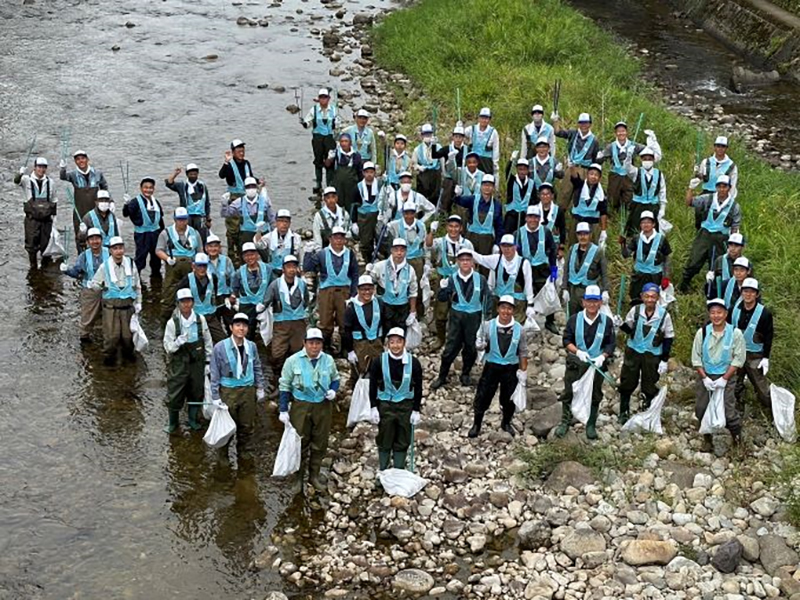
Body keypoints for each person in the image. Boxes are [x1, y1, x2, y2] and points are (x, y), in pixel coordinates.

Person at [278, 327, 341, 492]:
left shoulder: (328, 360)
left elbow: (336, 378)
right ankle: (297, 478)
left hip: (323, 406)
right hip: (301, 406)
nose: (314, 346)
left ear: (322, 344)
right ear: (304, 343)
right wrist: (283, 410)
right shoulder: (292, 361)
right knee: (299, 442)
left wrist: (334, 390)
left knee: (320, 442)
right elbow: (284, 386)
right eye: (311, 343)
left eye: (318, 343)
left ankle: (314, 475)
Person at [555, 285, 616, 440]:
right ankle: (565, 421)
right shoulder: (574, 320)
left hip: (596, 364)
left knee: (595, 394)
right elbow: (566, 340)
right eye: (589, 301)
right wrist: (577, 352)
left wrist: (603, 356)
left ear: (600, 303)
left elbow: (610, 343)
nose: (592, 304)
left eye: (595, 301)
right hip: (576, 363)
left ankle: (590, 424)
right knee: (569, 391)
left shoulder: (607, 322)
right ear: (583, 302)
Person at [209, 312, 266, 463]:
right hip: (228, 391)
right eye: (238, 325)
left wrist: (260, 387)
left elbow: (257, 367)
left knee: (247, 425)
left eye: (244, 326)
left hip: (248, 390)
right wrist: (215, 396)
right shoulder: (220, 348)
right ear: (231, 327)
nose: (241, 328)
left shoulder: (251, 347)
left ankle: (244, 451)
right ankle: (223, 454)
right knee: (227, 425)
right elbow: (214, 373)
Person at [470, 295, 530, 437]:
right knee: (483, 395)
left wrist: (523, 372)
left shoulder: (519, 329)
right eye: (503, 307)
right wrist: (479, 345)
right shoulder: (487, 325)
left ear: (513, 311)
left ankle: (506, 422)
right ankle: (477, 423)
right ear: (498, 309)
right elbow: (479, 341)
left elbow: (523, 351)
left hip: (511, 367)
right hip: (491, 366)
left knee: (508, 398)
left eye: (509, 308)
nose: (506, 311)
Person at [691, 298, 746, 453]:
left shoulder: (735, 333)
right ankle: (707, 440)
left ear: (726, 314)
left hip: (726, 377)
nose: (716, 316)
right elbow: (696, 358)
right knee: (701, 408)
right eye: (713, 313)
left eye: (719, 312)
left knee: (728, 411)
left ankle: (738, 442)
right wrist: (704, 378)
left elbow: (738, 359)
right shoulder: (702, 333)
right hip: (706, 375)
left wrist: (724, 378)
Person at [431, 248, 490, 389]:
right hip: (456, 319)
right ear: (457, 262)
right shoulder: (451, 279)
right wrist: (443, 289)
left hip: (474, 319)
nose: (465, 262)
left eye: (468, 260)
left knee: (471, 348)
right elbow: (442, 299)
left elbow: (487, 299)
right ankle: (442, 376)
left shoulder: (481, 279)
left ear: (473, 263)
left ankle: (465, 374)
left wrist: (486, 319)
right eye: (462, 260)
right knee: (450, 348)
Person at [617, 283, 674, 423]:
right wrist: (620, 324)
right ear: (642, 297)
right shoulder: (635, 311)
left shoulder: (664, 316)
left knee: (650, 382)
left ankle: (646, 411)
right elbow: (630, 330)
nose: (650, 299)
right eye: (647, 296)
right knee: (627, 380)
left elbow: (668, 337)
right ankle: (623, 411)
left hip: (653, 353)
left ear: (658, 298)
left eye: (653, 297)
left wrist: (664, 359)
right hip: (633, 351)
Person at [368, 327, 423, 470]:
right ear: (388, 344)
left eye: (399, 342)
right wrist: (373, 407)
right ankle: (383, 471)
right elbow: (372, 385)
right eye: (392, 342)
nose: (395, 345)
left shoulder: (414, 363)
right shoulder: (378, 362)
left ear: (404, 343)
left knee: (403, 437)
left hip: (406, 404)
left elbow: (418, 388)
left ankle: (398, 470)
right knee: (385, 437)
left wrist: (416, 410)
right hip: (385, 404)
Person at [679, 175, 742, 292]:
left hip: (721, 238)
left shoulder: (734, 206)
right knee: (694, 260)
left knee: (718, 266)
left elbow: (735, 226)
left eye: (725, 186)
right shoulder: (707, 199)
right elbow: (689, 203)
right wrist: (690, 188)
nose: (722, 189)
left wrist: (732, 244)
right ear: (716, 187)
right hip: (704, 235)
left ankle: (712, 290)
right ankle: (684, 285)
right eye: (719, 186)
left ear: (729, 188)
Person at [163, 288, 213, 433]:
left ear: (193, 302)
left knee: (196, 391)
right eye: (183, 302)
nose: (186, 304)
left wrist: (208, 361)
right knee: (175, 392)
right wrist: (177, 342)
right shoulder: (172, 324)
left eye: (189, 301)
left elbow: (207, 341)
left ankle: (193, 420)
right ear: (178, 304)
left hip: (197, 363)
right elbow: (167, 347)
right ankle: (173, 423)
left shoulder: (200, 320)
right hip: (178, 363)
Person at [303, 226, 359, 354]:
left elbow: (355, 274)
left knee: (345, 323)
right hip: (326, 292)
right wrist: (307, 253)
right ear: (330, 239)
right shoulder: (322, 254)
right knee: (325, 322)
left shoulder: (350, 254)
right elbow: (308, 268)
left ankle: (345, 349)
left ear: (345, 239)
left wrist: (354, 293)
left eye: (341, 238)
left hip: (345, 292)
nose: (338, 240)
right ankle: (326, 348)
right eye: (336, 237)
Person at [89, 236, 142, 365]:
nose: (118, 251)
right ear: (110, 251)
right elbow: (94, 284)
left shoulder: (130, 263)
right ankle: (109, 361)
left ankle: (128, 358)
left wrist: (139, 302)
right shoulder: (104, 266)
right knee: (111, 337)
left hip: (128, 307)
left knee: (128, 336)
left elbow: (138, 285)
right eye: (115, 249)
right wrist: (101, 286)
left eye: (120, 248)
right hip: (111, 308)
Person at [425, 215, 474, 347]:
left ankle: (458, 339)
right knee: (441, 311)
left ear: (461, 228)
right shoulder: (440, 242)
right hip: (443, 279)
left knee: (461, 310)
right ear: (447, 227)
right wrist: (431, 232)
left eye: (456, 226)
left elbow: (472, 263)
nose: (453, 229)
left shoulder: (467, 244)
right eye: (451, 226)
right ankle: (440, 339)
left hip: (461, 279)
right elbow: (428, 245)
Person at [264, 255, 310, 394]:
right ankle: (278, 379)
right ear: (283, 269)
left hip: (298, 322)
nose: (291, 270)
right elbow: (266, 300)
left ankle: (296, 380)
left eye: (294, 267)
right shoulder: (275, 284)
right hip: (281, 323)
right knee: (277, 352)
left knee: (298, 351)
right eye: (288, 267)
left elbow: (307, 300)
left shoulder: (302, 284)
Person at [472, 234, 536, 323]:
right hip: (498, 302)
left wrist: (530, 304)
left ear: (515, 247)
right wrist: (466, 251)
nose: (507, 249)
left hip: (516, 304)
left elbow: (528, 285)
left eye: (510, 246)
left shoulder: (524, 263)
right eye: (504, 246)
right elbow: (481, 259)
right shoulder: (496, 259)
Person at [732, 278, 773, 415]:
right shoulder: (734, 310)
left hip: (755, 355)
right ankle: (738, 408)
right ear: (741, 292)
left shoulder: (765, 313)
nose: (748, 294)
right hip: (737, 353)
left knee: (762, 388)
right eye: (745, 291)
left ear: (757, 294)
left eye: (751, 292)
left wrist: (766, 358)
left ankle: (770, 412)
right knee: (735, 384)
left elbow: (768, 336)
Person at [60, 227, 109, 342]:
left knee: (110, 315)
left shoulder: (109, 252)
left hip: (109, 289)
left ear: (101, 240)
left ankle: (107, 335)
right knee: (88, 316)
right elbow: (76, 273)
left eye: (97, 239)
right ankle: (85, 337)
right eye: (91, 239)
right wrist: (66, 270)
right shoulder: (83, 256)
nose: (95, 242)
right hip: (90, 290)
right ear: (87, 242)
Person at [156, 207, 203, 322]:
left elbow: (200, 251)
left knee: (192, 294)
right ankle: (165, 324)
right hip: (173, 267)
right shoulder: (165, 233)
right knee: (169, 296)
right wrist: (167, 259)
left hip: (190, 267)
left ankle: (192, 320)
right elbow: (158, 250)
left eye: (184, 219)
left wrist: (198, 265)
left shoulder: (194, 233)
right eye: (179, 219)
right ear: (175, 219)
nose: (182, 222)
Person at [518, 205, 559, 333]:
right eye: (530, 217)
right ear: (526, 218)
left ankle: (550, 321)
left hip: (541, 268)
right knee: (524, 294)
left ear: (539, 218)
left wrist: (554, 269)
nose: (533, 220)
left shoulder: (546, 232)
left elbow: (552, 251)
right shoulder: (518, 233)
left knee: (548, 294)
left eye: (536, 217)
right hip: (525, 268)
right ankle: (524, 320)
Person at [619, 211, 672, 305]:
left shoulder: (661, 239)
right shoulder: (636, 239)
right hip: (639, 275)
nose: (646, 225)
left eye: (648, 222)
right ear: (640, 225)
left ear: (654, 224)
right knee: (636, 298)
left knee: (653, 299)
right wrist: (623, 244)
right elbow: (626, 255)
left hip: (655, 275)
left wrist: (666, 277)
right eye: (643, 222)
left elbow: (667, 258)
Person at [59, 149, 108, 249]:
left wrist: (109, 203)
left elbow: (105, 187)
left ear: (87, 159)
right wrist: (63, 168)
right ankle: (82, 259)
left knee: (97, 235)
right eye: (78, 159)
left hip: (95, 211)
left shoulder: (97, 173)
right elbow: (63, 177)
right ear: (75, 162)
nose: (81, 161)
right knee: (80, 237)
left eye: (83, 158)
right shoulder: (73, 175)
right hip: (79, 212)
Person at [368, 238, 419, 331]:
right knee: (384, 330)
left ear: (406, 252)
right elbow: (368, 283)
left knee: (400, 333)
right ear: (391, 250)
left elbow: (413, 292)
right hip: (385, 305)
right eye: (396, 250)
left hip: (402, 307)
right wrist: (367, 272)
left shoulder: (410, 270)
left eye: (402, 250)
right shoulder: (380, 266)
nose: (399, 253)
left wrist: (412, 311)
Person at [15, 157, 58, 268]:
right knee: (31, 246)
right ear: (34, 167)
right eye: (39, 167)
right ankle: (33, 267)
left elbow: (54, 201)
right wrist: (19, 174)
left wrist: (55, 219)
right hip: (31, 220)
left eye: (44, 167)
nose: (41, 169)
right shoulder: (25, 179)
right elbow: (16, 181)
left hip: (46, 220)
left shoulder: (51, 182)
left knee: (46, 245)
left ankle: (45, 268)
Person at [218, 139, 255, 264]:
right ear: (233, 152)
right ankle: (232, 256)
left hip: (247, 198)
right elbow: (221, 175)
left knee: (245, 227)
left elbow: (249, 177)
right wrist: (226, 162)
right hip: (234, 198)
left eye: (242, 150)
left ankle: (243, 254)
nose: (241, 153)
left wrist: (257, 182)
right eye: (239, 151)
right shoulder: (230, 165)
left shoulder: (246, 164)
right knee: (233, 230)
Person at [344, 275, 384, 386]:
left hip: (376, 342)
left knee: (378, 368)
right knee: (361, 370)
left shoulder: (379, 303)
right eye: (363, 289)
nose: (367, 292)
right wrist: (350, 351)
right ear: (358, 290)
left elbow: (385, 322)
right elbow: (346, 330)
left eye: (369, 289)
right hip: (360, 343)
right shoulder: (351, 308)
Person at [562, 222, 609, 317]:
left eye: (585, 234)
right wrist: (564, 288)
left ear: (590, 235)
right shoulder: (572, 249)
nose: (582, 237)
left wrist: (605, 290)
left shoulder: (598, 251)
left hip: (589, 293)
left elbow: (604, 273)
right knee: (573, 318)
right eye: (580, 234)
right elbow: (566, 269)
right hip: (573, 291)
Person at [387, 201, 428, 309]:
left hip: (417, 259)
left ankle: (417, 311)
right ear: (402, 213)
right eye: (406, 213)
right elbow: (384, 235)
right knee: (400, 285)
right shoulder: (395, 225)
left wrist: (427, 262)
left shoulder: (421, 225)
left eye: (411, 213)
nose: (409, 216)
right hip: (400, 258)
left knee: (417, 286)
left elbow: (425, 245)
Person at [177, 252, 225, 343]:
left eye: (204, 266)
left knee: (223, 341)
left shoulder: (213, 277)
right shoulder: (186, 280)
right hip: (194, 317)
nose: (202, 269)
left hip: (210, 315)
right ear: (193, 266)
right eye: (199, 266)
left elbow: (214, 294)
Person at [453, 175, 504, 259]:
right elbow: (459, 201)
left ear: (493, 187)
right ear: (481, 186)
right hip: (471, 236)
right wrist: (457, 194)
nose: (487, 187)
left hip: (487, 239)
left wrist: (497, 244)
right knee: (468, 261)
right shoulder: (472, 199)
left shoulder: (497, 205)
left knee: (485, 266)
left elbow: (499, 227)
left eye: (490, 185)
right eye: (485, 185)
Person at [122, 177, 165, 277]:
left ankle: (156, 280)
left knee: (156, 259)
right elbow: (125, 214)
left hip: (155, 234)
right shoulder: (135, 202)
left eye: (150, 188)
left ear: (153, 189)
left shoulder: (156, 202)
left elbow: (160, 220)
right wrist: (126, 204)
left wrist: (164, 235)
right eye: (145, 187)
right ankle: (136, 279)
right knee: (140, 258)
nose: (148, 190)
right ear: (141, 188)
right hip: (142, 235)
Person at [620, 146, 667, 236]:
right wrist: (629, 156)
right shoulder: (636, 172)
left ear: (653, 160)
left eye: (649, 159)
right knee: (636, 230)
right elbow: (627, 168)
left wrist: (662, 208)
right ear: (641, 160)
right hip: (638, 206)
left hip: (653, 206)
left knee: (653, 231)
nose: (647, 161)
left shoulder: (659, 174)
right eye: (645, 159)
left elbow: (662, 191)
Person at [219, 177, 274, 252]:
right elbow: (225, 214)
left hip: (263, 234)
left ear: (257, 187)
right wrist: (224, 203)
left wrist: (274, 234)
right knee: (247, 257)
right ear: (244, 188)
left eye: (253, 186)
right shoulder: (239, 202)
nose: (251, 189)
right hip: (246, 235)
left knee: (266, 257)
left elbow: (272, 218)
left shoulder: (265, 201)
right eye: (248, 187)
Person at [553, 111, 599, 200]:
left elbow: (594, 160)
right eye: (581, 123)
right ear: (578, 124)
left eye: (586, 123)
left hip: (585, 170)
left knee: (582, 196)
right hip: (571, 168)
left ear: (590, 124)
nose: (583, 125)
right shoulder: (573, 133)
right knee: (564, 195)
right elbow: (558, 132)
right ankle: (560, 212)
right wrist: (555, 121)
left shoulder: (594, 140)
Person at [230, 242, 271, 339]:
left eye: (252, 254)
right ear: (243, 257)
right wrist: (233, 298)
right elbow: (235, 288)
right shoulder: (238, 273)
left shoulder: (267, 268)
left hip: (263, 304)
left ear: (257, 255)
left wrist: (267, 302)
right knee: (246, 330)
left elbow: (272, 286)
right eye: (246, 255)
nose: (250, 258)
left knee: (268, 329)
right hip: (247, 305)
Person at [301, 88, 337, 192]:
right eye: (321, 97)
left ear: (328, 98)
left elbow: (338, 123)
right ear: (319, 99)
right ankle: (318, 183)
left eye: (325, 97)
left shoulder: (334, 110)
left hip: (330, 138)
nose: (323, 99)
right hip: (317, 138)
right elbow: (308, 122)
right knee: (318, 161)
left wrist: (336, 124)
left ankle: (329, 184)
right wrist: (305, 124)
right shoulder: (314, 110)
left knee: (330, 160)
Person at [165, 163, 211, 240]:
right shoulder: (182, 185)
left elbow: (207, 203)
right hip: (187, 216)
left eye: (195, 174)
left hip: (200, 216)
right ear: (187, 174)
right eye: (191, 174)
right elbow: (169, 183)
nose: (193, 176)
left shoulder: (202, 186)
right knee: (187, 236)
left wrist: (208, 219)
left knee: (202, 237)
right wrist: (175, 174)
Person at [254, 209, 303, 278]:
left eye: (286, 221)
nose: (284, 224)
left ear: (289, 223)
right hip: (272, 271)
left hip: (289, 271)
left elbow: (300, 256)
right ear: (276, 222)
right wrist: (258, 232)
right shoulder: (268, 237)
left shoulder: (296, 238)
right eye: (281, 221)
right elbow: (259, 246)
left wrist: (300, 269)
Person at [354, 161, 385, 263]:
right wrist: (354, 221)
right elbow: (354, 205)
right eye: (367, 172)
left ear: (374, 173)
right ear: (363, 173)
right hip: (363, 217)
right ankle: (368, 260)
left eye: (371, 172)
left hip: (377, 215)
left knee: (380, 238)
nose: (369, 174)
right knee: (366, 241)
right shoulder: (358, 187)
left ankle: (377, 255)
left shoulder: (380, 184)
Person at [570, 163, 608, 246]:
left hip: (592, 223)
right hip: (577, 220)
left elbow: (603, 212)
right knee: (574, 245)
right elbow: (575, 178)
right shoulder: (580, 185)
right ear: (587, 175)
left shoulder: (602, 193)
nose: (593, 177)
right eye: (591, 174)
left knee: (591, 247)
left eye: (596, 175)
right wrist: (572, 167)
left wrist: (603, 230)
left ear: (599, 178)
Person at [326, 132, 363, 217]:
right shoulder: (336, 154)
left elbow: (360, 172)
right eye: (342, 141)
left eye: (346, 141)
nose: (343, 143)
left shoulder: (356, 156)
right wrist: (329, 158)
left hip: (351, 187)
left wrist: (361, 188)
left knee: (351, 206)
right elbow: (327, 166)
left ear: (350, 142)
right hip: (338, 186)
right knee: (337, 206)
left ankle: (352, 223)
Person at [205, 233, 236, 333]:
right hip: (211, 298)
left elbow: (233, 279)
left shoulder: (226, 261)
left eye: (215, 246)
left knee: (231, 323)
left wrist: (233, 295)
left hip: (225, 297)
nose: (213, 249)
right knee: (215, 326)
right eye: (210, 246)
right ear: (206, 248)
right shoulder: (203, 263)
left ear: (219, 248)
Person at [436, 124, 468, 213]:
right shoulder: (446, 149)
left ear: (463, 138)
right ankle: (443, 215)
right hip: (449, 178)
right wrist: (434, 145)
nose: (458, 139)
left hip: (463, 178)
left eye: (460, 137)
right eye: (456, 137)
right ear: (453, 137)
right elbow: (434, 155)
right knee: (446, 197)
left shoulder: (467, 150)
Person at [411, 123, 442, 201]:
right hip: (424, 174)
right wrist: (418, 167)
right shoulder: (417, 149)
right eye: (425, 134)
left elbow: (441, 160)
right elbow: (414, 164)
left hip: (435, 174)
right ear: (422, 135)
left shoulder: (437, 147)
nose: (427, 136)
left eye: (429, 134)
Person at [504, 158, 535, 237]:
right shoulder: (512, 180)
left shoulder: (531, 183)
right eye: (520, 169)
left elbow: (534, 200)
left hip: (524, 216)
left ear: (528, 170)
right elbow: (507, 171)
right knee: (508, 236)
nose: (522, 172)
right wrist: (511, 160)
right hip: (512, 215)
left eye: (524, 169)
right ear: (517, 169)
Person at [465, 107, 499, 174]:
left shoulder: (493, 132)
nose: (484, 120)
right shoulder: (472, 129)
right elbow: (462, 134)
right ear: (479, 118)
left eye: (486, 118)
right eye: (482, 118)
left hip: (486, 162)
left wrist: (495, 163)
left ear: (489, 120)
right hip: (473, 160)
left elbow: (496, 149)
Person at [538, 183, 565, 252]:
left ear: (552, 196)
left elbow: (562, 229)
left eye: (547, 194)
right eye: (543, 194)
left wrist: (561, 248)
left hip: (554, 243)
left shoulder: (558, 211)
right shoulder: (534, 210)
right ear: (539, 196)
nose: (545, 197)